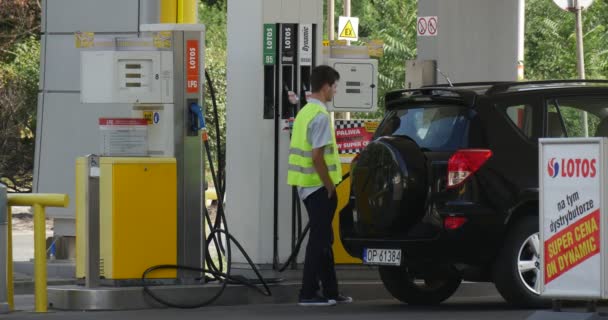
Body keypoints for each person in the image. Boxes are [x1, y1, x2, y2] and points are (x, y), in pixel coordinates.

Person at [287, 65, 353, 307]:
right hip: (318, 188)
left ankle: (331, 292)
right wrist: (329, 186)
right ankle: (307, 293)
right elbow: (317, 157)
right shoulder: (320, 116)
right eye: (334, 87)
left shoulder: (305, 112)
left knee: (324, 238)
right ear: (325, 87)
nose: (335, 91)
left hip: (306, 187)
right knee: (319, 240)